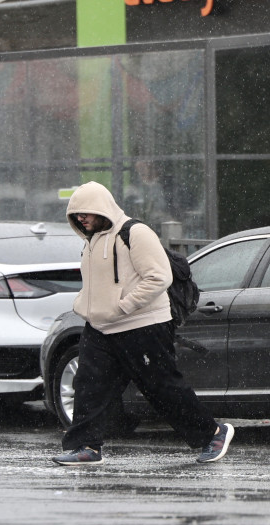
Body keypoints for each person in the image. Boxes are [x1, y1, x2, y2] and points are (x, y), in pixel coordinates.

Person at [51, 181, 234, 466]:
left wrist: (123, 306)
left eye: (84, 212)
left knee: (161, 388)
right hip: (100, 327)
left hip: (143, 325)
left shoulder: (135, 232)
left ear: (102, 209)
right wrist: (86, 305)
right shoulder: (91, 240)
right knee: (89, 385)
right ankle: (85, 446)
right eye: (75, 215)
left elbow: (160, 277)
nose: (80, 219)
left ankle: (212, 434)